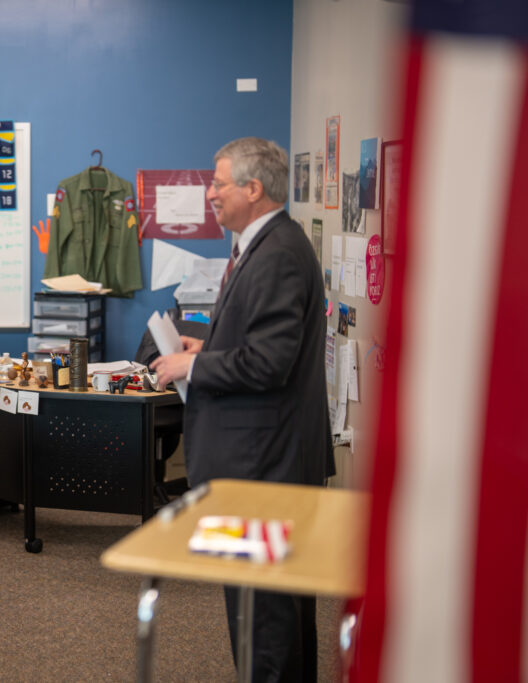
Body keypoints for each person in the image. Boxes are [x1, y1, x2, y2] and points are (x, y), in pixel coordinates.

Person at [150, 137, 333, 682]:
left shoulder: (276, 252)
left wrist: (194, 369)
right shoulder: (266, 243)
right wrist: (208, 349)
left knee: (265, 621)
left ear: (253, 189)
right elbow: (270, 344)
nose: (210, 193)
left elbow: (271, 363)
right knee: (277, 614)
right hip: (267, 459)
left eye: (219, 182)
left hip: (264, 467)